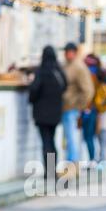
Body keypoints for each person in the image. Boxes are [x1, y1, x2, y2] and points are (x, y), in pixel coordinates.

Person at [29, 45, 67, 178]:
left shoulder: (40, 72)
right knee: (52, 140)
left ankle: (48, 172)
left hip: (42, 114)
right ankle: (53, 170)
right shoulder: (59, 72)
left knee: (46, 142)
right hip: (56, 113)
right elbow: (65, 87)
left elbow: (34, 91)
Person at [62, 43, 94, 163]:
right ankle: (70, 161)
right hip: (65, 106)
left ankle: (72, 162)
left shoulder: (79, 67)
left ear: (74, 53)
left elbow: (88, 90)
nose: (66, 54)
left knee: (71, 136)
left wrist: (79, 105)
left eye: (69, 52)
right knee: (67, 137)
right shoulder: (66, 65)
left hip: (72, 107)